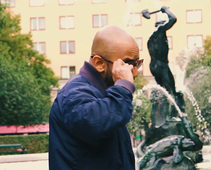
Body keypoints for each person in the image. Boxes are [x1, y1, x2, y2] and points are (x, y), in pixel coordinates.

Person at [49, 25, 143, 170]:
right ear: (99, 63)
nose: (135, 73)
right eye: (129, 64)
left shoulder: (106, 91)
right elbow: (97, 122)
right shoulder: (74, 93)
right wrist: (123, 87)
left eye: (138, 64)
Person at [148, 6, 177, 98]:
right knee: (169, 91)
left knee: (167, 89)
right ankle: (171, 110)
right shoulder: (159, 31)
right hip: (160, 65)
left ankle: (163, 108)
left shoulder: (152, 38)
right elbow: (173, 19)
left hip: (156, 65)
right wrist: (166, 10)